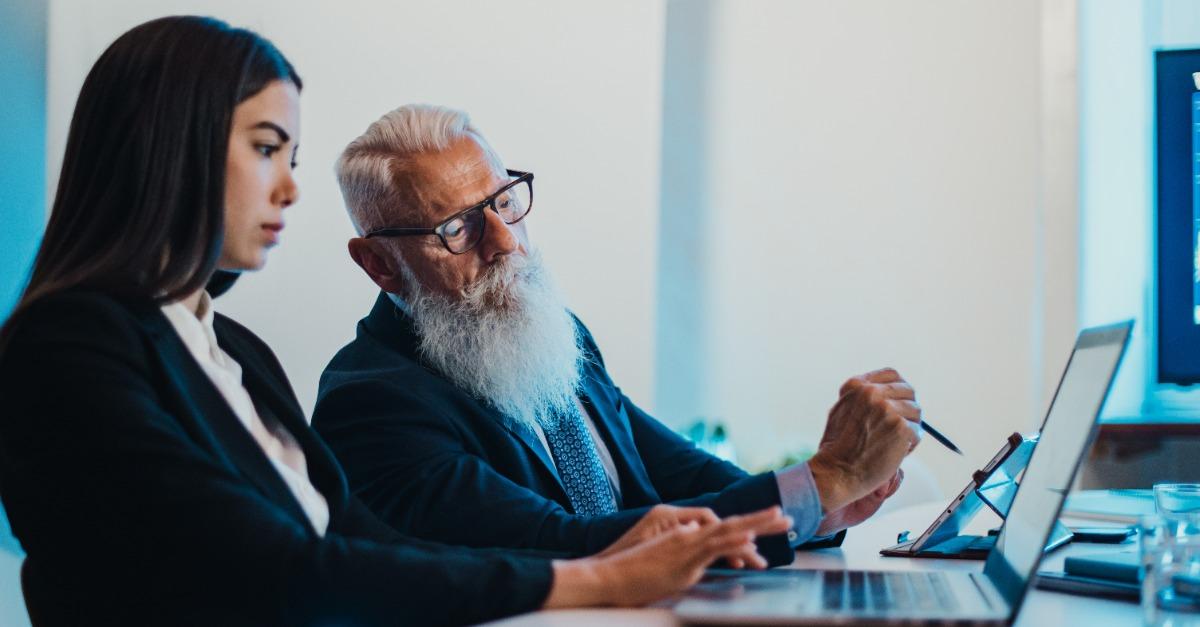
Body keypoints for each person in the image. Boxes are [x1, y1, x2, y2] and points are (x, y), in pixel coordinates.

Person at [0, 17, 790, 627]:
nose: (289, 191)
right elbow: (278, 567)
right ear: (171, 150)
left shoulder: (229, 347)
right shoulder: (72, 343)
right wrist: (595, 578)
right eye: (267, 150)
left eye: (293, 160)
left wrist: (805, 498)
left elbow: (365, 540)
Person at [313, 104, 922, 568]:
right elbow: (557, 543)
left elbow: (678, 475)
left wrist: (820, 510)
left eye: (503, 201)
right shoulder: (370, 404)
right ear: (379, 265)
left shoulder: (548, 330)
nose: (505, 242)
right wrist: (820, 481)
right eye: (457, 227)